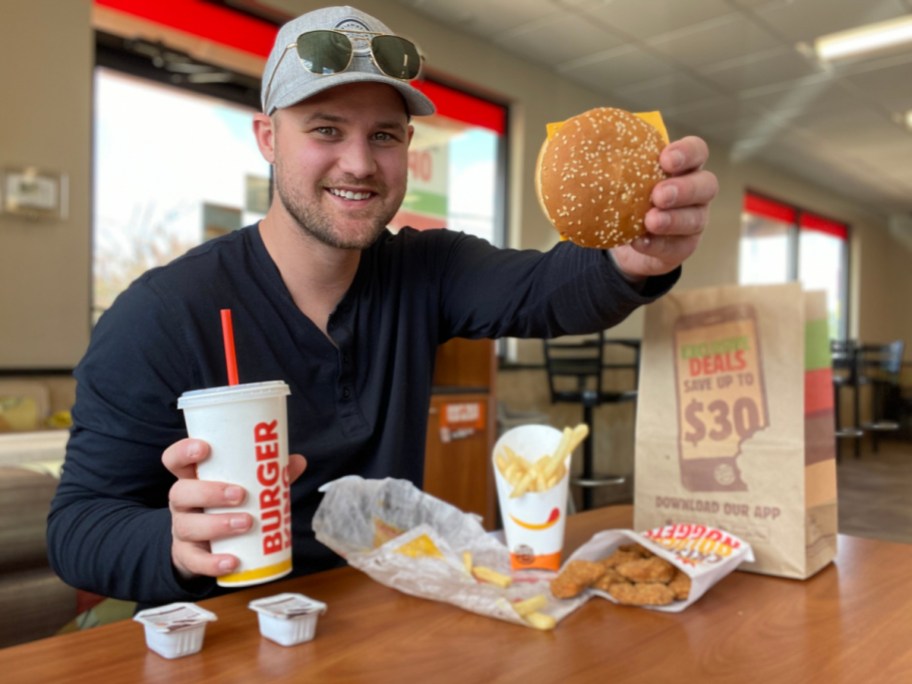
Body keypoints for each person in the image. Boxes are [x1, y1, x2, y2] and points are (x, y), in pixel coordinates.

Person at [48, 5, 718, 606]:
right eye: (326, 129)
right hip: (226, 638)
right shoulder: (161, 314)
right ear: (267, 139)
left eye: (385, 136)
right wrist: (175, 543)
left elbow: (550, 292)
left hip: (383, 618)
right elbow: (77, 527)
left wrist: (635, 256)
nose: (360, 163)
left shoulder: (425, 270)